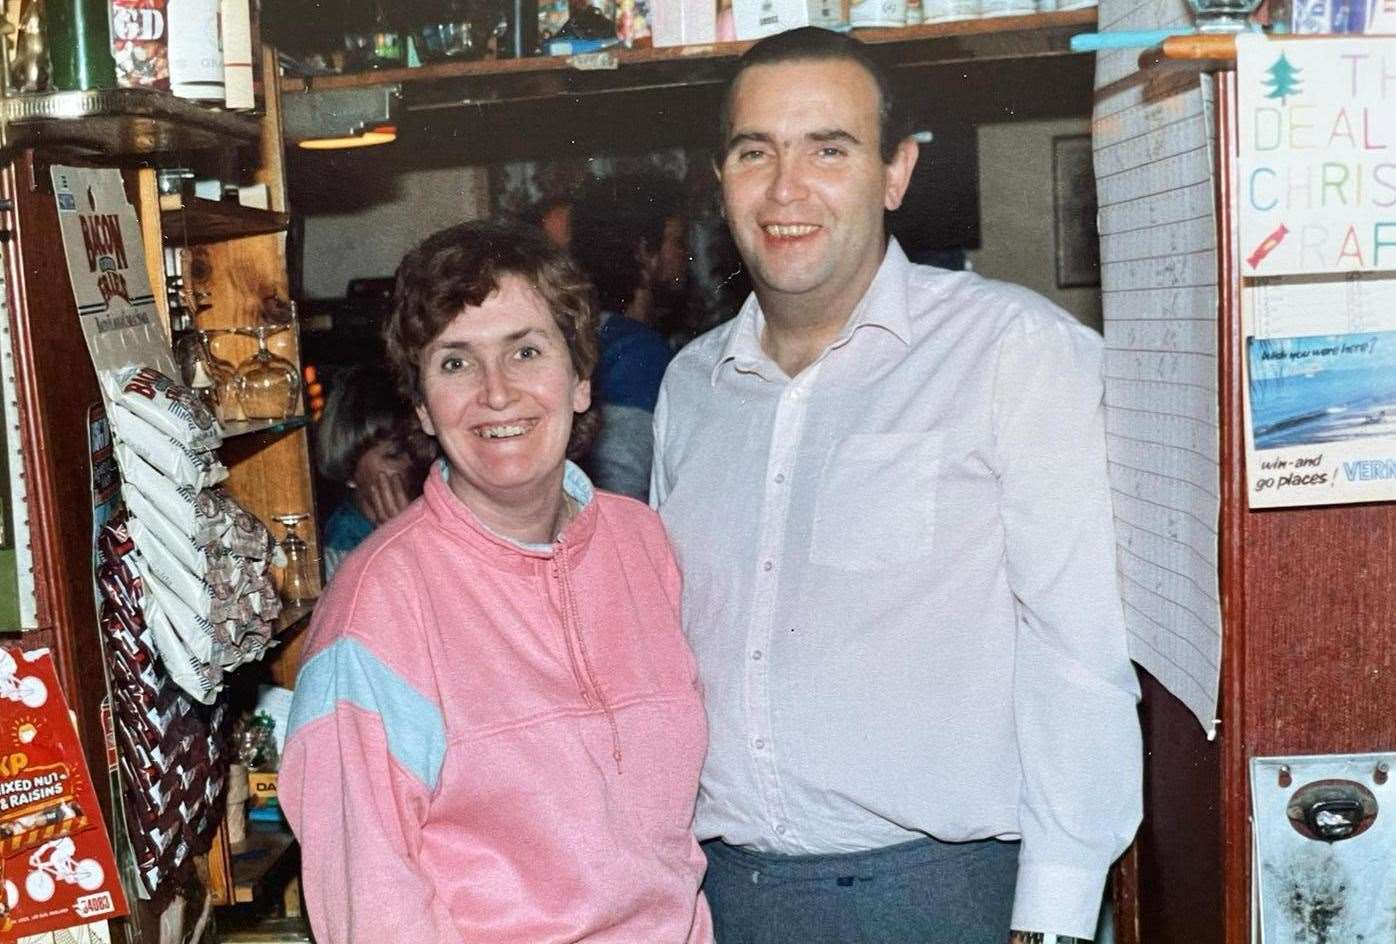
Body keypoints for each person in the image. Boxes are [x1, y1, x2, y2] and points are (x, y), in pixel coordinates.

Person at [650, 27, 1142, 944]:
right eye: (756, 152)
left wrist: (1059, 915)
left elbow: (1080, 649)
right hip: (721, 901)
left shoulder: (1012, 351)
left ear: (896, 172)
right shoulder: (691, 386)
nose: (786, 188)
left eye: (828, 150)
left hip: (949, 901)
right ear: (721, 179)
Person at [281, 220, 713, 944]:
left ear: (579, 380)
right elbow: (373, 910)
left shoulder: (644, 549)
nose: (497, 393)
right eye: (455, 363)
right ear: (420, 405)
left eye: (526, 351)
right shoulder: (378, 605)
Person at [570, 173, 687, 499]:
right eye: (677, 242)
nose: (685, 256)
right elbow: (623, 488)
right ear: (645, 252)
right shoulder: (638, 353)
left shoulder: (590, 334)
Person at [314, 366, 434, 580]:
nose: (410, 463)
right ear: (350, 468)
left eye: (416, 448)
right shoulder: (342, 547)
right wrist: (402, 543)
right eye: (394, 454)